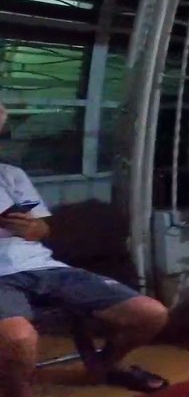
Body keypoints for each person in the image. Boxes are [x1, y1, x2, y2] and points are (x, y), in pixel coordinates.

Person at [0, 104, 171, 395]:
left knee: (151, 314)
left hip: (43, 266)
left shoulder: (11, 175)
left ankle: (106, 365)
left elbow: (44, 229)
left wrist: (32, 228)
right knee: (19, 339)